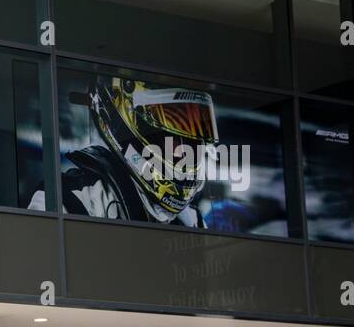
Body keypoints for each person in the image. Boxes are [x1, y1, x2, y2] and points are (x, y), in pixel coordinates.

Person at [29, 78, 219, 227]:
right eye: (175, 138)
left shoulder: (192, 221)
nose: (184, 153)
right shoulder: (67, 202)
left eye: (194, 143)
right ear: (130, 123)